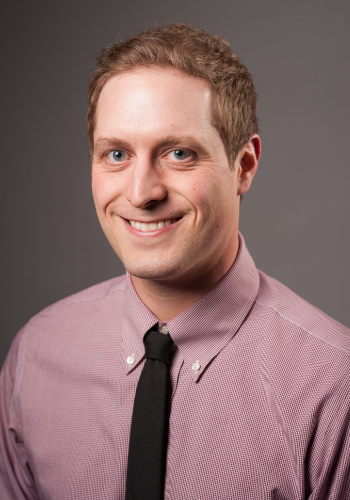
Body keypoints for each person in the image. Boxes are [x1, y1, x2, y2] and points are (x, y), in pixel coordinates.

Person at [0, 23, 349, 500]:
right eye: (116, 154)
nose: (142, 193)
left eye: (179, 153)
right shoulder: (35, 358)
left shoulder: (334, 387)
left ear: (243, 166)